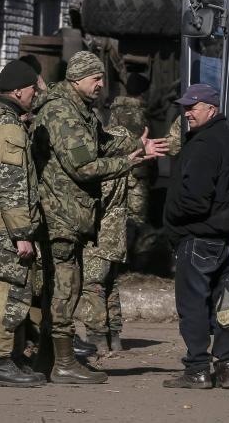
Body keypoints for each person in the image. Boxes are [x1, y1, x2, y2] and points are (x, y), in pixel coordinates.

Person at [32, 51, 165, 383]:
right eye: (96, 79)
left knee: (63, 287)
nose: (101, 85)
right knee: (66, 287)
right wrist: (128, 164)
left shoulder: (80, 111)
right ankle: (62, 363)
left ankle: (49, 359)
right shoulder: (63, 113)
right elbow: (83, 166)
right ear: (77, 79)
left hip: (72, 214)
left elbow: (100, 144)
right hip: (61, 214)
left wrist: (136, 145)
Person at [162, 83, 229, 390]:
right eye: (186, 107)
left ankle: (198, 368)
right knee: (226, 304)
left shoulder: (203, 143)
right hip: (228, 239)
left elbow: (194, 198)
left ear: (211, 109)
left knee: (193, 306)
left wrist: (173, 217)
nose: (187, 112)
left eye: (193, 107)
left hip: (198, 237)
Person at [0, 60, 45, 387]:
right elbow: (12, 184)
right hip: (6, 226)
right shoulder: (8, 128)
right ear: (18, 91)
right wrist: (21, 234)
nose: (35, 94)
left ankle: (1, 358)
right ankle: (0, 362)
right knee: (8, 290)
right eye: (32, 89)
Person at [74, 125, 137, 355]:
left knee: (92, 285)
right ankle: (114, 335)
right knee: (110, 285)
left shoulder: (106, 170)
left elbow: (97, 201)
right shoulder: (122, 162)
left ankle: (96, 336)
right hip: (116, 235)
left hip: (100, 234)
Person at [108, 74, 156, 266]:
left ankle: (118, 259)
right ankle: (133, 261)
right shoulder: (140, 115)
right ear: (143, 93)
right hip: (138, 174)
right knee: (136, 218)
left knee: (118, 215)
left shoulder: (114, 111)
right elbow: (147, 146)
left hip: (117, 172)